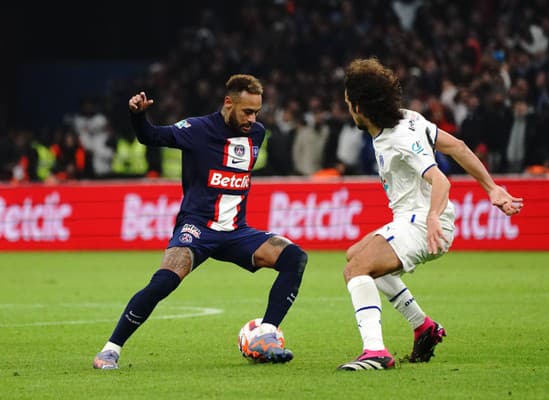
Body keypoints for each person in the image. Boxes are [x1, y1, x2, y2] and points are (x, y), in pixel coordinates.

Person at [93, 74, 308, 369]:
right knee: (164, 281)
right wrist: (138, 116)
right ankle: (109, 350)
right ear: (228, 103)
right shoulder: (196, 129)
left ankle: (267, 334)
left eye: (257, 111)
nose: (252, 118)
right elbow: (151, 136)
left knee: (294, 257)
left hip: (236, 231)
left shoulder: (256, 134)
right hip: (198, 228)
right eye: (247, 111)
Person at [338, 58, 523, 371]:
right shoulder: (409, 119)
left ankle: (375, 351)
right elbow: (458, 146)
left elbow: (440, 178)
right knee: (354, 255)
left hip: (421, 222)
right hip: (410, 219)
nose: (346, 107)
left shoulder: (398, 138)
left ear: (358, 107)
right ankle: (423, 327)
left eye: (347, 102)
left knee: (357, 269)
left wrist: (434, 217)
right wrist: (491, 188)